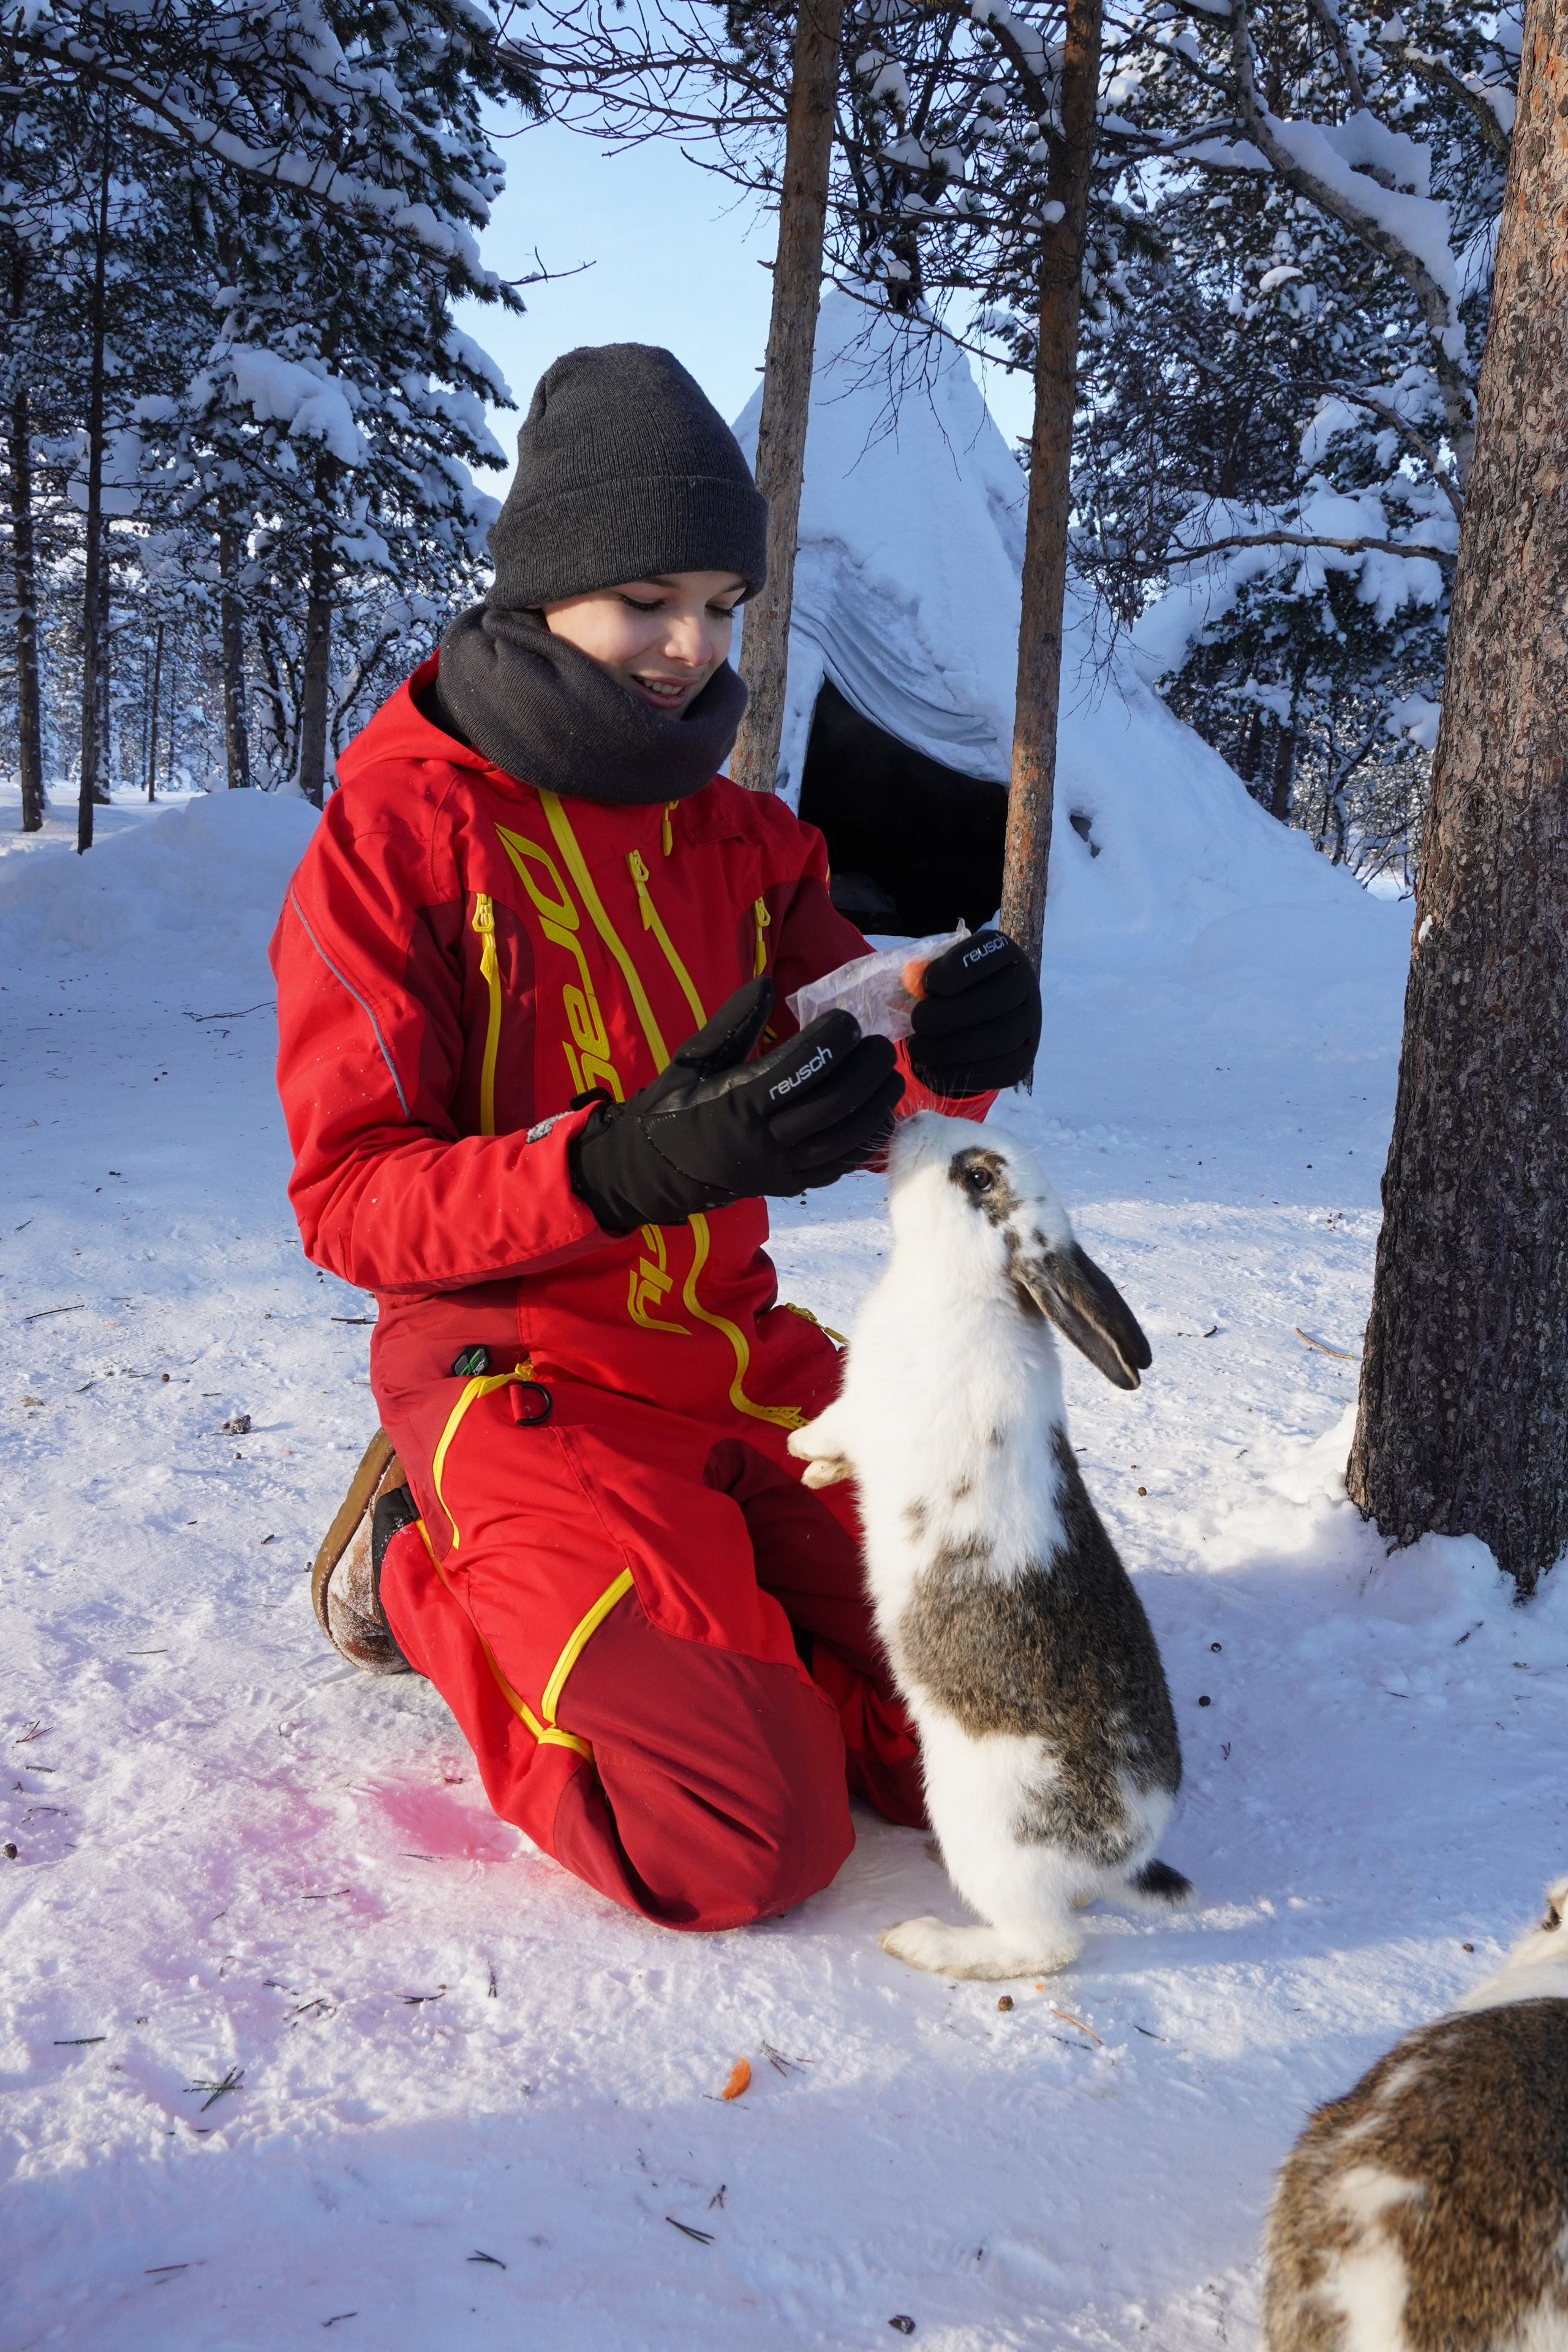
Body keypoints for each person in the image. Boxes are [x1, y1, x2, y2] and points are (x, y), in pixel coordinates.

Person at [271, 344, 1042, 1933]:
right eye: (646, 599)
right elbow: (350, 1201)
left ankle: (720, 1620)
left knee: (1019, 1737)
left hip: (741, 1364)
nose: (692, 649)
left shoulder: (747, 839)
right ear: (547, 585)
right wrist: (615, 1165)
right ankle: (438, 1577)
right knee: (740, 1840)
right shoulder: (397, 838)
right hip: (526, 1387)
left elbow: (830, 1061)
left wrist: (950, 1043)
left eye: (722, 602)